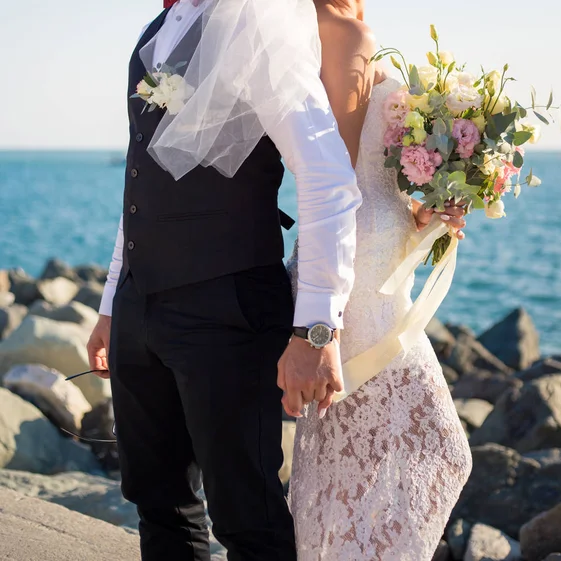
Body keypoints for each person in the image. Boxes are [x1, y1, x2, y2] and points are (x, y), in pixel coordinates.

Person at [86, 0, 362, 559]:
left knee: (248, 519)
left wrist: (315, 329)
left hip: (226, 306)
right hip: (141, 306)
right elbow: (139, 180)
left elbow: (328, 180)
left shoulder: (261, 22)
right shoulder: (155, 31)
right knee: (157, 504)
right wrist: (114, 302)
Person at [287, 1, 473, 559]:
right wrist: (325, 321)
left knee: (349, 453)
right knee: (440, 445)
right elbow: (334, 178)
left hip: (371, 243)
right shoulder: (343, 29)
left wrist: (419, 213)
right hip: (354, 256)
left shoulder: (325, 22)